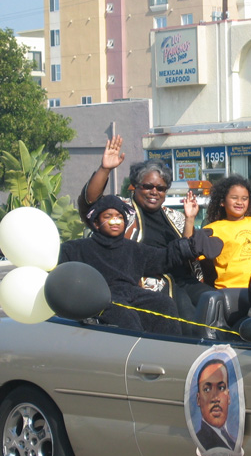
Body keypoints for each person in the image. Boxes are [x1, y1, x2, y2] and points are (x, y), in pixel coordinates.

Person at [78, 135, 213, 330]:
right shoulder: (122, 210)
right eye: (148, 186)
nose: (154, 192)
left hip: (184, 279)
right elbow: (90, 203)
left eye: (160, 188)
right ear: (135, 187)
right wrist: (105, 169)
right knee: (184, 309)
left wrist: (190, 219)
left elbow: (187, 250)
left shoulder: (174, 215)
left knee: (213, 300)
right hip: (149, 282)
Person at [59, 195, 223, 334]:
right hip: (101, 297)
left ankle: (169, 349)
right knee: (124, 314)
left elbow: (164, 257)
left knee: (164, 304)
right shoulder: (77, 248)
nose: (115, 221)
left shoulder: (133, 248)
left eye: (120, 217)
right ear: (96, 223)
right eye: (108, 216)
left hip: (131, 293)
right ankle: (134, 355)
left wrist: (191, 247)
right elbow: (61, 271)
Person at [195, 359, 236, 451]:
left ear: (228, 396)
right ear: (198, 399)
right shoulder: (202, 442)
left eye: (221, 388)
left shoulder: (228, 439)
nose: (215, 398)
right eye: (207, 389)